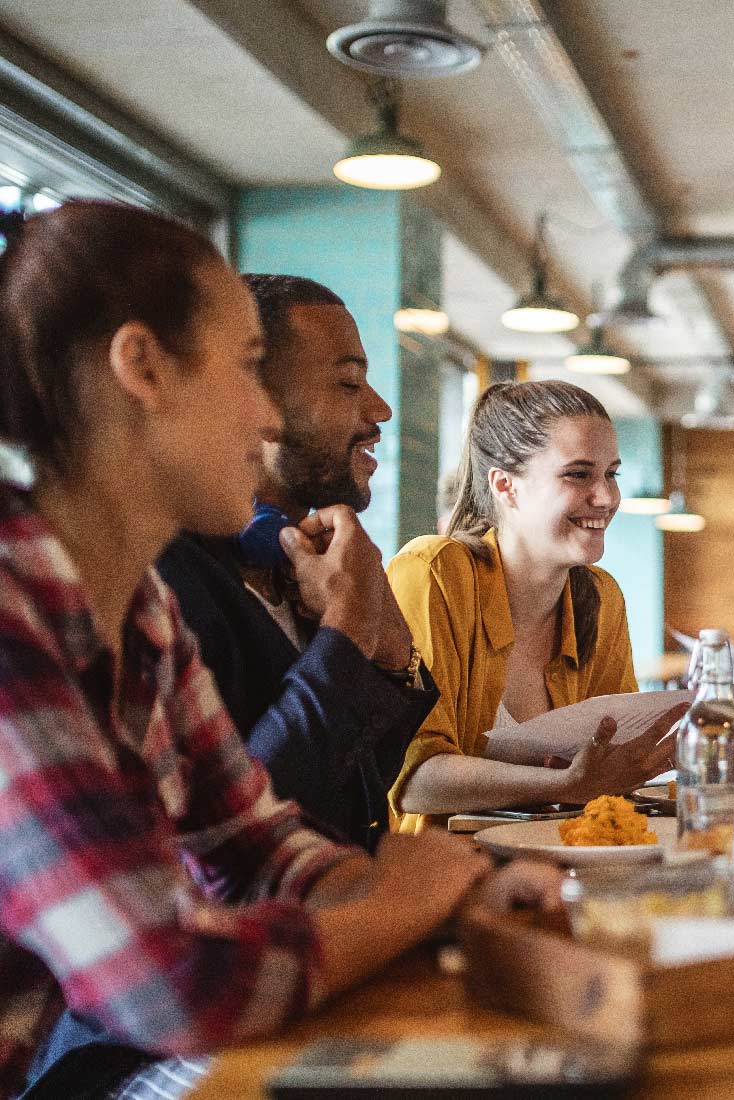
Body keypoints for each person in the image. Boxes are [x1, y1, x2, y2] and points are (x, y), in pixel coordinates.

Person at [0, 201, 555, 1100]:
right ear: (141, 366)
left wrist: (447, 888)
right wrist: (401, 902)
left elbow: (252, 839)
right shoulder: (11, 612)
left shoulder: (140, 609)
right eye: (250, 368)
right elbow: (168, 984)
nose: (265, 417)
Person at [153, 274, 434, 855]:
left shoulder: (314, 559)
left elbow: (359, 787)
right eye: (348, 383)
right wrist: (349, 631)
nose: (379, 409)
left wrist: (392, 653)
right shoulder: (167, 575)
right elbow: (248, 830)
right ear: (251, 397)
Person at [386, 380, 674, 833]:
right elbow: (414, 782)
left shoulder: (601, 597)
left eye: (611, 474)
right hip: (445, 875)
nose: (607, 497)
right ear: (505, 486)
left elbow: (615, 761)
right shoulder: (432, 574)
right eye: (578, 474)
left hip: (563, 862)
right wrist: (564, 783)